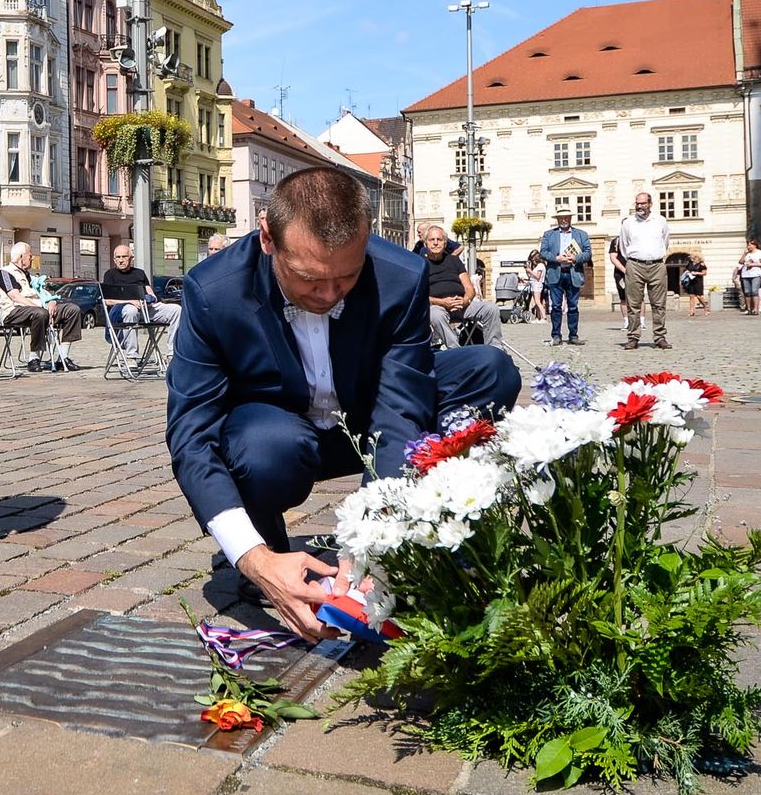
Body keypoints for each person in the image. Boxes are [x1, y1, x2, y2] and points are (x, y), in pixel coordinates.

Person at [166, 168, 521, 641]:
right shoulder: (214, 291)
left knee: (490, 369)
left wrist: (374, 538)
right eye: (310, 278)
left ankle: (432, 524)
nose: (330, 294)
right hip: (277, 434)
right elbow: (192, 435)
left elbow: (401, 408)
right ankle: (273, 555)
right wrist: (252, 556)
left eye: (348, 276)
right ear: (268, 238)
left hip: (366, 417)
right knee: (262, 445)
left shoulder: (401, 276)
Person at [0, 241, 82, 371]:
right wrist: (41, 308)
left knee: (72, 310)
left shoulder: (29, 276)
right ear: (21, 257)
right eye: (30, 255)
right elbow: (15, 296)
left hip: (38, 309)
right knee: (40, 314)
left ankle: (63, 357)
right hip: (13, 311)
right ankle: (33, 358)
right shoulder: (4, 273)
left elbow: (45, 293)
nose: (32, 258)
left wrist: (52, 302)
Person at [421, 226, 503, 349]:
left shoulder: (454, 260)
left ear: (445, 243)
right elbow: (420, 295)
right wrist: (442, 302)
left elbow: (469, 288)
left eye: (439, 239)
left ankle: (495, 348)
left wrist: (465, 300)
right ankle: (456, 349)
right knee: (435, 314)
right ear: (425, 243)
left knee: (491, 308)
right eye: (432, 240)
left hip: (462, 305)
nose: (436, 243)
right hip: (438, 306)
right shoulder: (420, 264)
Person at [102, 243, 181, 360]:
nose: (121, 260)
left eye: (124, 256)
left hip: (145, 309)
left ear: (131, 258)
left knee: (176, 310)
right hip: (124, 311)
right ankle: (131, 356)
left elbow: (150, 293)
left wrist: (150, 299)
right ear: (114, 260)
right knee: (131, 310)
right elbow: (107, 301)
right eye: (118, 257)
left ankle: (172, 353)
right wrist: (130, 301)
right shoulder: (110, 275)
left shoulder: (139, 273)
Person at [617, 191, 670, 350]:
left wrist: (655, 255)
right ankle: (633, 337)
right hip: (635, 265)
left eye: (643, 203)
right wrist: (634, 258)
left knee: (659, 303)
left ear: (650, 204)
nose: (640, 206)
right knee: (633, 304)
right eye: (637, 203)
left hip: (657, 265)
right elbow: (623, 246)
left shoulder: (660, 221)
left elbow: (665, 242)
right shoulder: (628, 223)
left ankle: (659, 337)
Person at [540, 209, 590, 346]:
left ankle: (573, 335)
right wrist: (556, 258)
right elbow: (543, 252)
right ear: (557, 219)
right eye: (561, 218)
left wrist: (575, 258)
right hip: (556, 273)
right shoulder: (549, 235)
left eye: (566, 217)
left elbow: (588, 253)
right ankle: (556, 335)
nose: (563, 220)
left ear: (570, 218)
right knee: (556, 306)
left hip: (573, 273)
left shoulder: (581, 234)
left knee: (573, 306)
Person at [737, 239, 761, 316]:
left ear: (754, 245)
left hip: (756, 274)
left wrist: (753, 264)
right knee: (747, 292)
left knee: (754, 291)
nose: (748, 246)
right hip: (746, 274)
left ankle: (755, 309)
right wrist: (744, 254)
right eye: (748, 245)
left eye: (750, 245)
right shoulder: (747, 253)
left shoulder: (759, 252)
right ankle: (749, 309)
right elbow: (740, 262)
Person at [683, 252, 709, 316]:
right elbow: (687, 269)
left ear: (696, 257)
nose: (690, 258)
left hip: (698, 281)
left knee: (699, 296)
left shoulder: (702, 264)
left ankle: (705, 307)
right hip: (691, 281)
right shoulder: (690, 263)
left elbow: (704, 273)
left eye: (692, 256)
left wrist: (696, 273)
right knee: (691, 296)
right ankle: (691, 311)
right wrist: (687, 272)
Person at [526, 249, 547, 321]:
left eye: (533, 259)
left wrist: (530, 271)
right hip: (533, 284)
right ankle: (538, 317)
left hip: (537, 285)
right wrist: (528, 270)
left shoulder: (541, 265)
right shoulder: (537, 266)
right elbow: (531, 276)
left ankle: (544, 317)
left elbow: (538, 276)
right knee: (536, 302)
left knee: (538, 302)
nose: (533, 261)